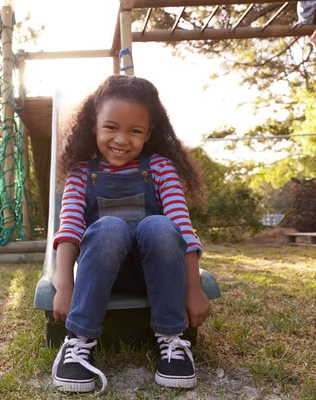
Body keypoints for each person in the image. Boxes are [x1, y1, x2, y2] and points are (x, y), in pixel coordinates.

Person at [50, 74, 211, 393]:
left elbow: (182, 228)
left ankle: (171, 340)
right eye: (111, 127)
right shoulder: (82, 173)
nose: (122, 139)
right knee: (109, 227)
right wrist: (65, 285)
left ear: (148, 133)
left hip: (156, 274)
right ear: (93, 125)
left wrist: (193, 289)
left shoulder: (161, 169)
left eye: (134, 131)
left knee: (159, 225)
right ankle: (79, 341)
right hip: (100, 276)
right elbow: (69, 229)